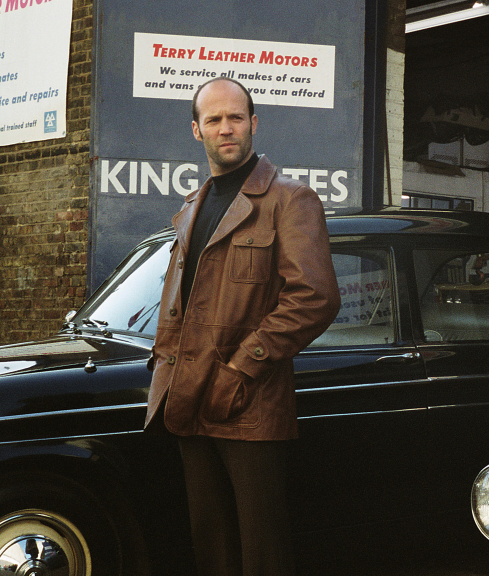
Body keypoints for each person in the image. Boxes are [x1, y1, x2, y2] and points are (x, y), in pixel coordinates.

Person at [145, 76, 340, 576]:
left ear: (253, 124)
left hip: (249, 404)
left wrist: (240, 370)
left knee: (261, 554)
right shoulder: (191, 207)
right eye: (214, 119)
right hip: (188, 399)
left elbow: (313, 298)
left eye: (236, 117)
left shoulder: (289, 200)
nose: (225, 128)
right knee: (211, 546)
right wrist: (162, 367)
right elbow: (180, 303)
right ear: (197, 130)